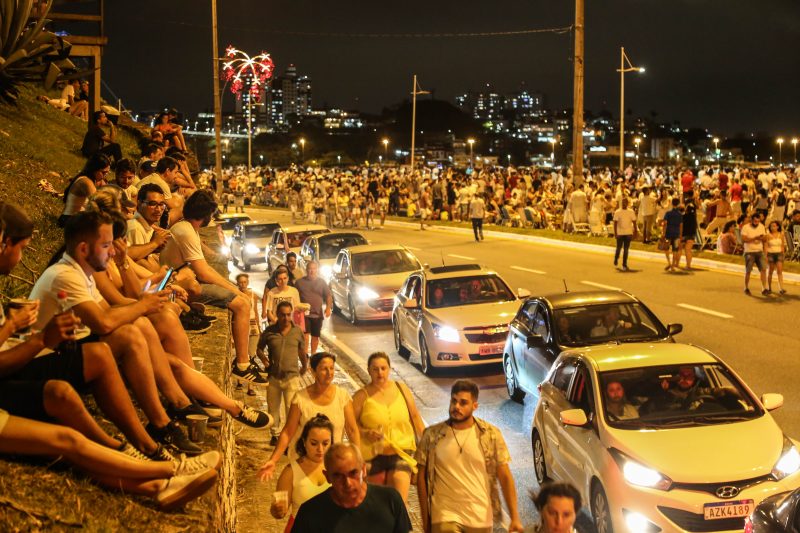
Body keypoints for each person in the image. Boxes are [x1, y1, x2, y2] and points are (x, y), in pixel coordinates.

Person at [29, 210, 203, 455]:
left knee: (139, 325)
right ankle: (161, 424)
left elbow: (110, 310)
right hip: (45, 356)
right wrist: (142, 304)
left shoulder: (82, 271)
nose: (113, 252)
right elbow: (103, 323)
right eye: (106, 245)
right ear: (82, 249)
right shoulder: (64, 275)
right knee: (130, 333)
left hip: (69, 345)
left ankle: (170, 410)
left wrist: (145, 302)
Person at [158, 190, 266, 384]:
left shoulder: (185, 227)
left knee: (238, 299)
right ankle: (242, 364)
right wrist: (235, 290)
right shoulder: (187, 231)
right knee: (242, 304)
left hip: (180, 281)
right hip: (178, 286)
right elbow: (204, 272)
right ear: (205, 215)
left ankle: (244, 361)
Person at [416, 380, 523, 533]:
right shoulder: (432, 435)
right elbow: (421, 478)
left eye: (463, 403)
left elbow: (505, 476)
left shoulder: (490, 435)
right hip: (444, 515)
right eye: (454, 401)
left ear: (475, 406)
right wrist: (426, 520)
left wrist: (515, 517)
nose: (456, 407)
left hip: (479, 517)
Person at [258, 352, 360, 476]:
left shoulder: (343, 397)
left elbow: (352, 430)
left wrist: (358, 460)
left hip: (332, 466)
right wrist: (273, 460)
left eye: (332, 368)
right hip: (303, 466)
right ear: (313, 371)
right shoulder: (300, 398)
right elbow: (288, 431)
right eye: (324, 369)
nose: (329, 373)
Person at [352, 352, 425, 505]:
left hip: (401, 452)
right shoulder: (361, 396)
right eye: (375, 369)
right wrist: (366, 432)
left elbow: (416, 417)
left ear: (389, 369)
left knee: (399, 499)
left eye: (383, 368)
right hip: (373, 455)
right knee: (375, 503)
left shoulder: (401, 389)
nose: (380, 373)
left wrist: (427, 448)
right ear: (369, 370)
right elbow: (351, 426)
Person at [291, 443, 412, 533]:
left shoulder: (390, 500)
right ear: (327, 477)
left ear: (363, 470)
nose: (347, 483)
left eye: (353, 473)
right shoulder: (311, 513)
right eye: (338, 476)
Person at [269, 415, 334, 532]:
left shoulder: (338, 468)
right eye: (314, 443)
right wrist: (277, 509)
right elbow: (278, 512)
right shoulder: (291, 471)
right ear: (304, 442)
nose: (320, 449)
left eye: (325, 443)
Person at [257, 301, 307, 445]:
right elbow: (259, 349)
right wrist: (265, 361)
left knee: (292, 409)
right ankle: (275, 435)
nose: (286, 318)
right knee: (273, 408)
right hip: (273, 377)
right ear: (277, 315)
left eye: (288, 315)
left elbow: (301, 351)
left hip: (292, 377)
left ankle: (290, 437)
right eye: (282, 315)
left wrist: (304, 365)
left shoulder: (297, 331)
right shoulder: (269, 331)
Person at [59, 153, 112, 227]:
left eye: (107, 173)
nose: (105, 175)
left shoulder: (93, 179)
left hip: (76, 219)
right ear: (94, 169)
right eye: (103, 172)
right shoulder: (86, 182)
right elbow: (99, 205)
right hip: (69, 221)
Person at [295, 260, 332, 354]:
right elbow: (294, 296)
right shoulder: (299, 283)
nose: (312, 271)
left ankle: (313, 354)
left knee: (315, 336)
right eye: (310, 269)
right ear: (306, 270)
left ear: (317, 270)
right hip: (304, 314)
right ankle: (306, 354)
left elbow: (328, 295)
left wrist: (328, 308)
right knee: (306, 336)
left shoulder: (321, 282)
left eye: (314, 269)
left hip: (317, 314)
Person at [741, 212, 768, 296]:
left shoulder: (761, 226)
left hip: (759, 251)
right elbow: (744, 239)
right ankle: (746, 287)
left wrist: (762, 238)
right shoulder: (745, 227)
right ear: (751, 220)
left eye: (758, 221)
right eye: (755, 221)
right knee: (748, 270)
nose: (757, 223)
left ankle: (764, 288)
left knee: (763, 270)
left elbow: (765, 238)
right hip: (749, 252)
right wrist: (755, 238)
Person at [612, 197, 637, 271]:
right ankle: (616, 258)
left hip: (628, 233)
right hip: (620, 233)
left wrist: (635, 231)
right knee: (618, 248)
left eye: (625, 202)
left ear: (628, 203)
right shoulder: (617, 212)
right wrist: (615, 233)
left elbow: (634, 222)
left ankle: (624, 264)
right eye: (623, 202)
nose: (624, 204)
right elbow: (615, 223)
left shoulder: (631, 211)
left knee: (626, 249)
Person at [660, 197, 683, 272]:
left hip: (668, 233)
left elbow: (665, 223)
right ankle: (673, 266)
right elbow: (681, 225)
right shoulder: (680, 214)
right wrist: (680, 235)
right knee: (675, 250)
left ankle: (669, 262)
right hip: (676, 233)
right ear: (678, 204)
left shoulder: (668, 213)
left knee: (666, 248)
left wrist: (663, 232)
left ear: (672, 203)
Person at [765, 220, 786, 294]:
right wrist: (766, 256)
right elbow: (766, 246)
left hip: (779, 254)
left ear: (777, 227)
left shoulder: (781, 234)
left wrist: (783, 254)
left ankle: (781, 288)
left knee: (779, 271)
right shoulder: (768, 235)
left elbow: (782, 245)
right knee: (770, 271)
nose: (772, 227)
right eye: (771, 226)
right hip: (771, 254)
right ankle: (769, 287)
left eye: (774, 226)